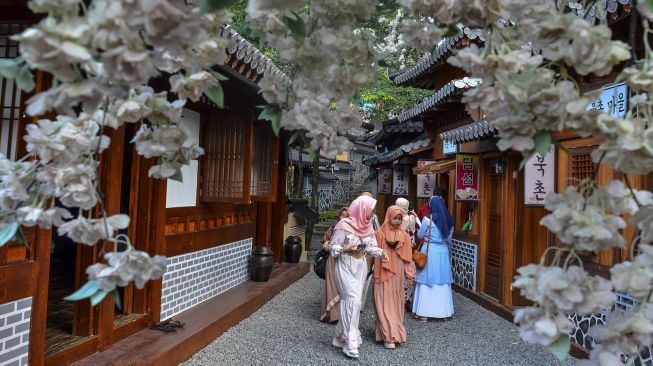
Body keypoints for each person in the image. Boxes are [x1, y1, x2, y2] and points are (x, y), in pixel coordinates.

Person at [329, 195, 388, 359]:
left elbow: (371, 248)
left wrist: (382, 253)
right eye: (370, 210)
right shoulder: (343, 225)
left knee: (352, 301)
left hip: (360, 266)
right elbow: (333, 247)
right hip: (344, 265)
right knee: (353, 301)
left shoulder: (368, 227)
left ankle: (340, 336)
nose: (371, 213)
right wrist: (346, 250)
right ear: (361, 209)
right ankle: (351, 342)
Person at [373, 205, 416, 349]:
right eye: (395, 218)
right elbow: (371, 254)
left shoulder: (404, 235)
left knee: (395, 304)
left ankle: (394, 333)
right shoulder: (379, 233)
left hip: (397, 274)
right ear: (389, 216)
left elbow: (408, 258)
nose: (397, 221)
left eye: (400, 218)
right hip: (382, 272)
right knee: (382, 302)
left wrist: (410, 275)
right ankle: (387, 336)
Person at [413, 195, 455, 321]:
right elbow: (448, 238)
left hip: (430, 250)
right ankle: (444, 313)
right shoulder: (449, 220)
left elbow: (420, 234)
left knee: (427, 280)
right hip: (442, 251)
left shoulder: (428, 219)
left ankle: (423, 313)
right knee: (442, 280)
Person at [320, 207, 349, 323]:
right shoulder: (333, 228)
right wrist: (328, 244)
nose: (343, 218)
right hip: (332, 260)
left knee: (343, 286)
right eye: (342, 215)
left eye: (346, 216)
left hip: (345, 260)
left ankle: (342, 314)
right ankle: (331, 315)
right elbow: (324, 242)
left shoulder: (352, 230)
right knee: (332, 285)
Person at [395, 197, 419, 310]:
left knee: (400, 273)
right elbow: (414, 232)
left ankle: (399, 299)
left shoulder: (394, 218)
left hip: (398, 249)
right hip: (408, 248)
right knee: (407, 273)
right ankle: (406, 299)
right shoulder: (411, 218)